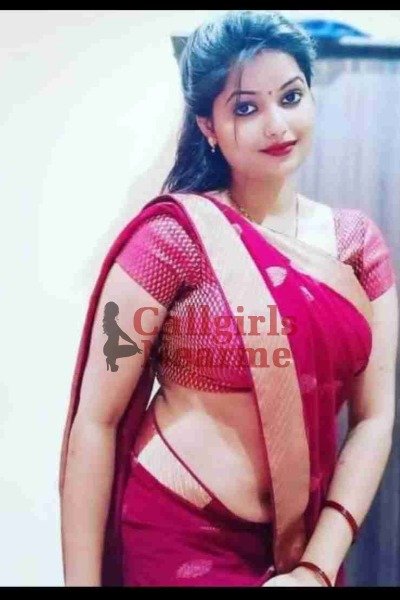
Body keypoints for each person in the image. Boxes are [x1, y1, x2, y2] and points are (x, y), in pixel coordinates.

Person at [58, 10, 398, 587]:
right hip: (175, 537)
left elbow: (374, 418)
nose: (276, 124)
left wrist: (316, 569)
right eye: (245, 108)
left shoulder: (357, 247)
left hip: (302, 547)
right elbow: (96, 419)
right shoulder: (170, 241)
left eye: (290, 97)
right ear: (208, 125)